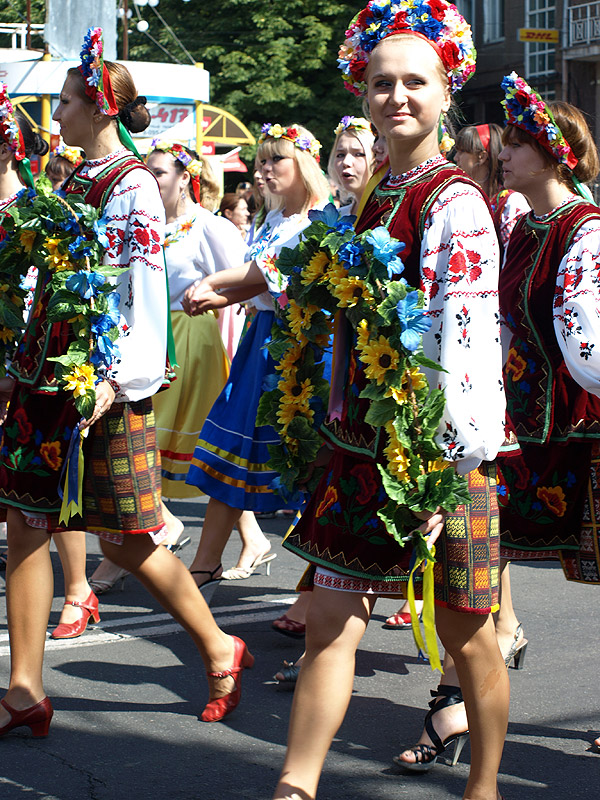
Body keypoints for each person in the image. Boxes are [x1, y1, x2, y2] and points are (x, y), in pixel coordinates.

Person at [272, 4, 508, 800]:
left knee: (466, 638)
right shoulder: (372, 195)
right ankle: (294, 787)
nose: (396, 97)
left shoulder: (455, 202)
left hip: (438, 458)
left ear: (448, 95)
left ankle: (482, 787)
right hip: (357, 450)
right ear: (362, 94)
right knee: (330, 629)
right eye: (382, 83)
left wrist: (446, 468)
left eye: (415, 82)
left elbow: (466, 347)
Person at [0, 29, 252, 738]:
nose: (55, 117)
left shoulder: (133, 185)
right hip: (46, 375)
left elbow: (138, 293)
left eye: (65, 103)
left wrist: (120, 378)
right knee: (26, 525)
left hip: (102, 383)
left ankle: (218, 645)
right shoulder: (70, 176)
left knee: (126, 540)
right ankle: (24, 689)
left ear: (99, 108)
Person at [495, 73, 600, 748]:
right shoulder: (521, 226)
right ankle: (473, 675)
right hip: (527, 422)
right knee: (480, 542)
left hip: (585, 426)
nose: (504, 154)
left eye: (518, 143)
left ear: (555, 153)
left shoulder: (584, 231)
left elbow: (586, 340)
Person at [182, 123, 330, 591]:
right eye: (260, 161)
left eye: (275, 160)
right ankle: (205, 563)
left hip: (299, 349)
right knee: (232, 449)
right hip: (261, 339)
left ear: (303, 166)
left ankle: (317, 582)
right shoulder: (273, 219)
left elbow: (269, 272)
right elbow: (260, 283)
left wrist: (213, 283)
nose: (263, 170)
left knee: (304, 461)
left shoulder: (318, 219)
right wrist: (219, 299)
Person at [454, 122, 530, 252]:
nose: (456, 158)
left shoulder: (510, 203)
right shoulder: (463, 199)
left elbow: (515, 256)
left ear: (481, 157)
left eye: (462, 152)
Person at [327, 116, 375, 214]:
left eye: (358, 154)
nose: (346, 162)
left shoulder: (387, 213)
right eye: (340, 155)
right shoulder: (338, 217)